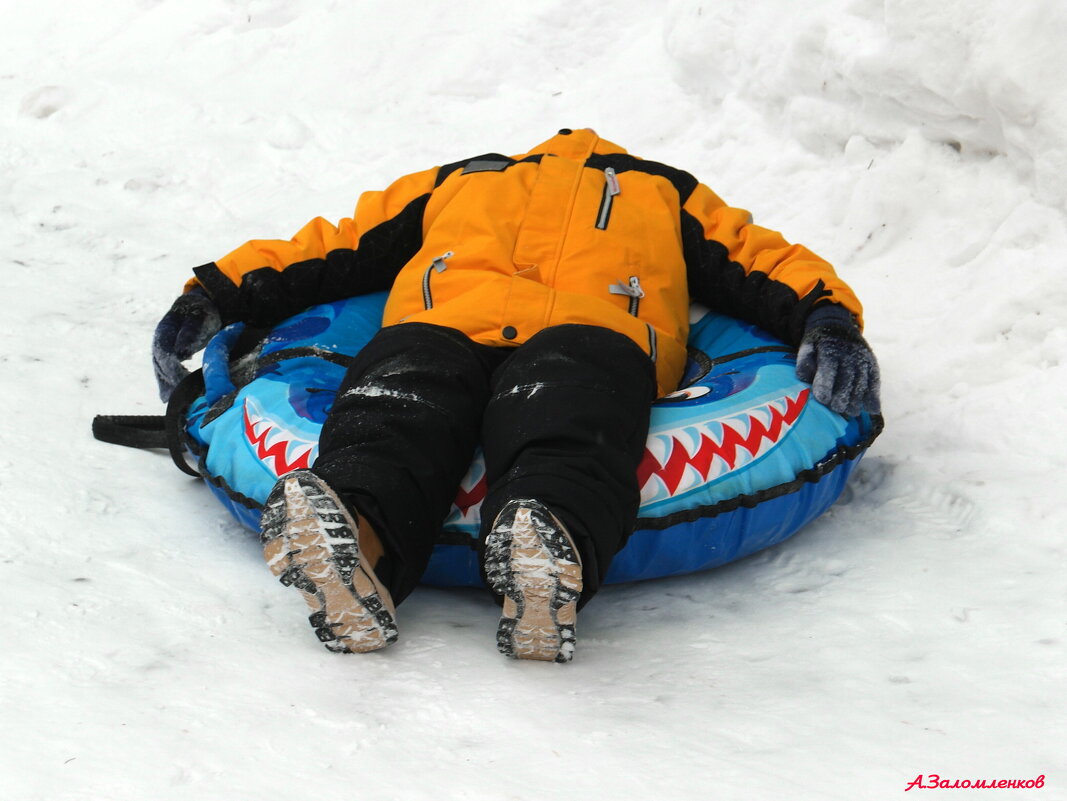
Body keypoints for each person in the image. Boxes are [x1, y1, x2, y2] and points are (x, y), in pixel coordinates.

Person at [153, 129, 880, 663]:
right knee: (394, 399)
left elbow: (756, 258)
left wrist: (824, 315)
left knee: (570, 412)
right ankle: (353, 546)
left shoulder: (661, 190)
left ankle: (542, 556)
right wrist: (217, 289)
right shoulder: (459, 180)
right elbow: (339, 245)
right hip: (443, 324)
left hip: (591, 329)